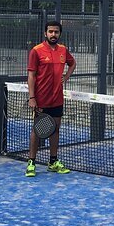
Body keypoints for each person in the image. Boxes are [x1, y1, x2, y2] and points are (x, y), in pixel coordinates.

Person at [25, 21, 76, 177]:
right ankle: (31, 163)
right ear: (45, 33)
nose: (53, 34)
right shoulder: (36, 51)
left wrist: (66, 77)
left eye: (56, 32)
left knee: (55, 129)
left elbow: (72, 63)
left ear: (59, 34)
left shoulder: (63, 50)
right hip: (40, 99)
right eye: (50, 31)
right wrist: (32, 97)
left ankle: (53, 162)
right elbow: (31, 75)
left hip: (57, 99)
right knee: (37, 130)